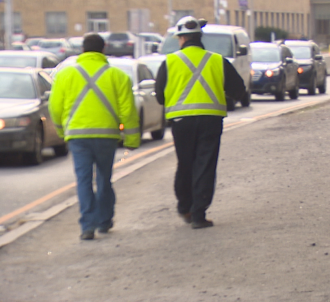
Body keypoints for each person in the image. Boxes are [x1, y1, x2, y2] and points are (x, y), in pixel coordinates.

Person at [155, 16, 246, 229]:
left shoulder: (169, 62)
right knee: (205, 165)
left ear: (181, 38)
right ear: (199, 37)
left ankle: (184, 207)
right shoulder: (217, 60)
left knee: (185, 164)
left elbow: (160, 97)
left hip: (181, 122)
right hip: (210, 120)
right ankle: (198, 214)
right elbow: (239, 90)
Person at [49, 33, 140, 240]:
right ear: (104, 49)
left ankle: (87, 226)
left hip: (77, 136)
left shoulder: (65, 76)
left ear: (82, 50)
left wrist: (62, 131)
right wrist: (132, 140)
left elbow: (55, 108)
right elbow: (128, 111)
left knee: (83, 180)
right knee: (104, 179)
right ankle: (104, 221)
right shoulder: (118, 76)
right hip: (106, 136)